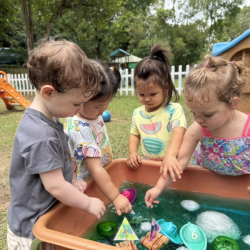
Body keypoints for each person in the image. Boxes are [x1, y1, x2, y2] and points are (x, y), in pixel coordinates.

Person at [7, 39, 106, 249]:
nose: (79, 109)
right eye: (76, 103)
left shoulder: (50, 118)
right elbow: (54, 185)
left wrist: (70, 180)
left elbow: (55, 164)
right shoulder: (41, 135)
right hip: (32, 230)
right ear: (49, 93)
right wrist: (88, 203)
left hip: (46, 217)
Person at [145, 55, 250, 208]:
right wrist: (158, 188)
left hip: (241, 190)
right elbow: (179, 162)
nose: (199, 120)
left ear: (233, 103)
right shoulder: (198, 130)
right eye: (194, 113)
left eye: (207, 114)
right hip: (206, 185)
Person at [64, 61, 132, 216]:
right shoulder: (80, 129)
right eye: (98, 106)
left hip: (101, 176)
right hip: (87, 182)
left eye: (107, 104)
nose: (103, 111)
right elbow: (95, 169)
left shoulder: (93, 115)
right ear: (81, 99)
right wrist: (116, 197)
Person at [127, 44, 187, 179]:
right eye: (142, 95)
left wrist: (171, 156)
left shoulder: (173, 110)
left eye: (153, 94)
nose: (147, 99)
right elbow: (134, 134)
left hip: (174, 164)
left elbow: (179, 132)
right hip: (150, 164)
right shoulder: (138, 113)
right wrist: (132, 152)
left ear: (166, 88)